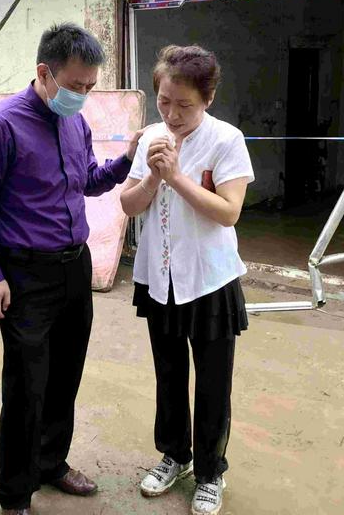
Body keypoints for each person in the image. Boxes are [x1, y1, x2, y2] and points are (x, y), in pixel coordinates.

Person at [0, 23, 144, 515]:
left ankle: (51, 462)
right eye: (77, 85)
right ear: (45, 73)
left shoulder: (73, 122)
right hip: (23, 275)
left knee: (65, 375)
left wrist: (126, 159)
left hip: (73, 270)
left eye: (90, 86)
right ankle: (16, 493)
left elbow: (87, 180)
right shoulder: (0, 126)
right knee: (26, 385)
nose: (84, 95)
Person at [120, 45, 255, 515]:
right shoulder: (151, 138)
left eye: (185, 105)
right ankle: (174, 455)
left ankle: (210, 471)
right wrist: (153, 177)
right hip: (160, 278)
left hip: (209, 281)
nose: (172, 114)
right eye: (164, 101)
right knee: (169, 374)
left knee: (214, 381)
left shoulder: (227, 141)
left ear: (209, 98)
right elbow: (128, 205)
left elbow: (229, 212)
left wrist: (176, 177)